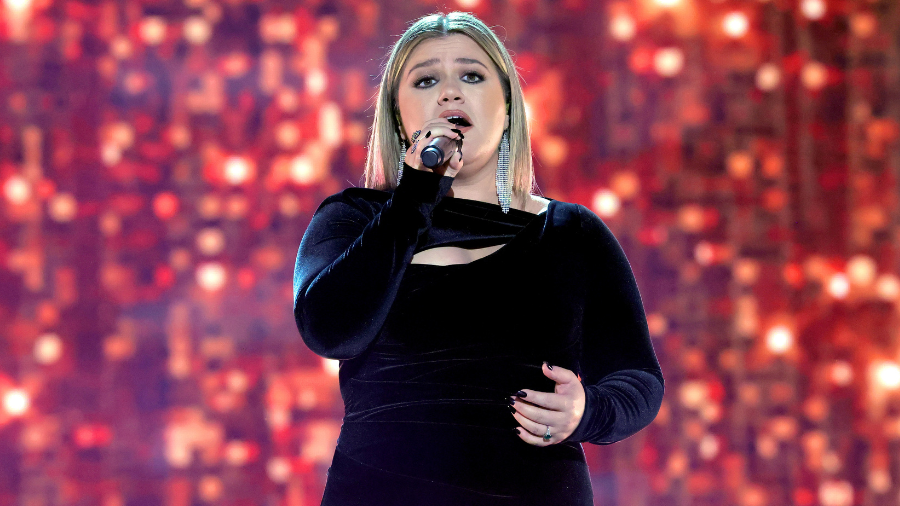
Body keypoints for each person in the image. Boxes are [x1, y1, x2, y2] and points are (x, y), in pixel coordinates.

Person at [292, 11, 664, 506]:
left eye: (471, 76)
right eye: (426, 81)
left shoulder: (573, 233)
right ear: (398, 117)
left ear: (507, 106)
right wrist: (414, 198)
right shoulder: (353, 219)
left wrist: (587, 411)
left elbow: (639, 378)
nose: (450, 93)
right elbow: (331, 329)